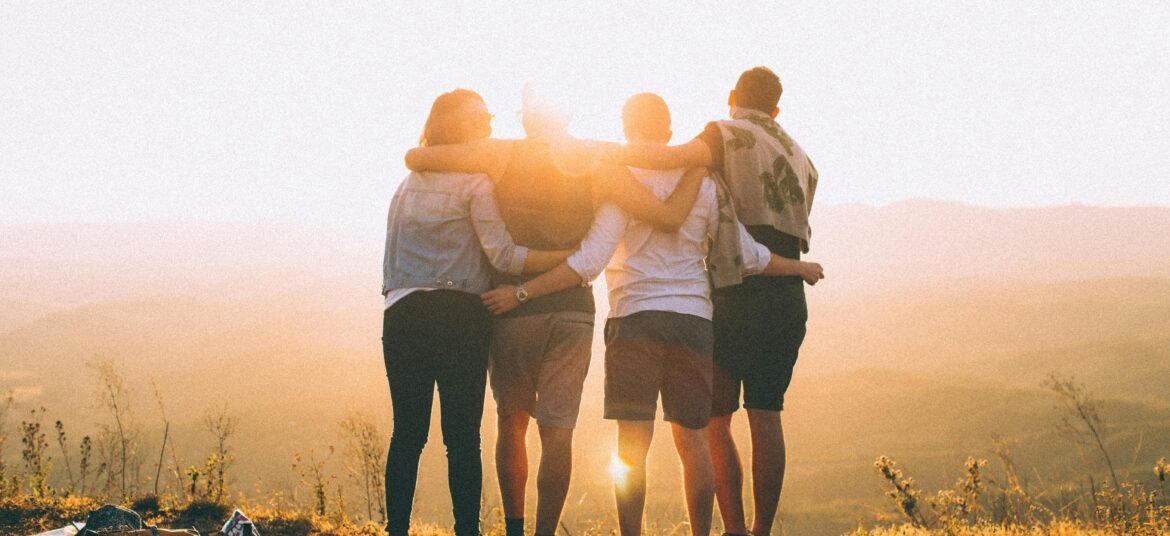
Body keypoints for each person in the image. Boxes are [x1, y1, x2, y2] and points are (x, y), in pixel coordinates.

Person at [480, 93, 823, 536]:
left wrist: (523, 292)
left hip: (634, 319)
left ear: (626, 128)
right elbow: (746, 254)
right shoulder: (703, 182)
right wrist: (798, 267)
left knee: (632, 445)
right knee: (693, 439)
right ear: (667, 130)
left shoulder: (621, 182)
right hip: (694, 321)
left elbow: (589, 262)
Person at [404, 84, 704, 536]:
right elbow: (663, 202)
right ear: (566, 115)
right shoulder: (598, 158)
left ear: (526, 118)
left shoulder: (499, 154)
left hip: (511, 307)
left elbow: (417, 158)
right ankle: (545, 530)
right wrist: (701, 156)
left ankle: (515, 529)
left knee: (512, 421)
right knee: (557, 431)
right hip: (572, 312)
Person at [615, 67, 820, 536]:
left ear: (732, 96)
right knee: (767, 413)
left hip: (736, 291)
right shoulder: (801, 155)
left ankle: (733, 530)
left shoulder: (722, 134)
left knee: (714, 418)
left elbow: (674, 159)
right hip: (787, 292)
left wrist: (595, 156)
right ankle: (762, 532)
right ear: (776, 108)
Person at [381, 89, 573, 536]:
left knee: (406, 433)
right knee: (462, 437)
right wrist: (564, 257)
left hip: (402, 313)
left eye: (488, 114)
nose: (488, 122)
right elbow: (504, 257)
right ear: (453, 127)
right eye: (478, 117)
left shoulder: (405, 185)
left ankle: (397, 530)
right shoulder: (475, 184)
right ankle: (466, 529)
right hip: (459, 316)